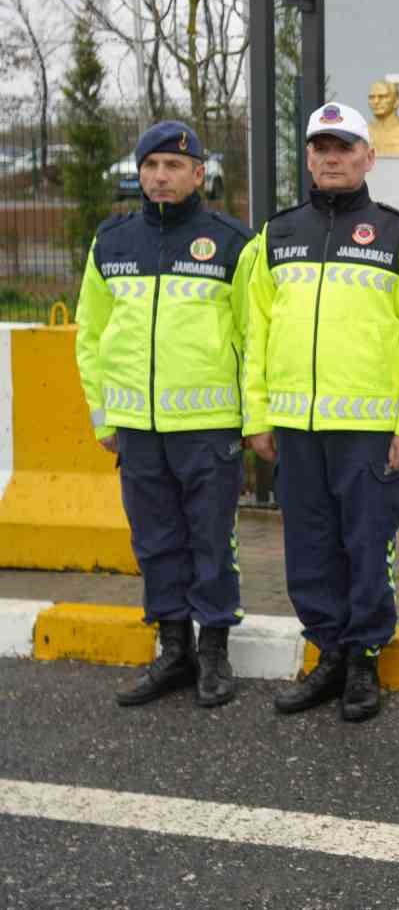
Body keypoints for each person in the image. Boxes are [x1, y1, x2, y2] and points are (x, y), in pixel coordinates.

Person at [243, 102, 399, 723]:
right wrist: (258, 416)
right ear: (308, 158)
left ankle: (363, 660)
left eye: (345, 147)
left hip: (368, 431)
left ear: (368, 157)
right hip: (296, 431)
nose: (332, 157)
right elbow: (254, 333)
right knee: (307, 546)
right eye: (321, 147)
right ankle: (326, 653)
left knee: (365, 543)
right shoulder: (275, 236)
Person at [74, 120, 256, 709]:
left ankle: (214, 653)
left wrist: (253, 419)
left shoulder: (232, 240)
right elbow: (91, 336)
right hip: (137, 429)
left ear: (199, 173)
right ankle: (173, 650)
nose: (160, 176)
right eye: (150, 166)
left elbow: (256, 338)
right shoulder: (112, 240)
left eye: (174, 166)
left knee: (210, 540)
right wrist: (106, 419)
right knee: (155, 543)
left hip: (208, 428)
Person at [366, 81, 399, 157]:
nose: (376, 101)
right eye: (371, 97)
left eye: (382, 97)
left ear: (396, 101)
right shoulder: (365, 131)